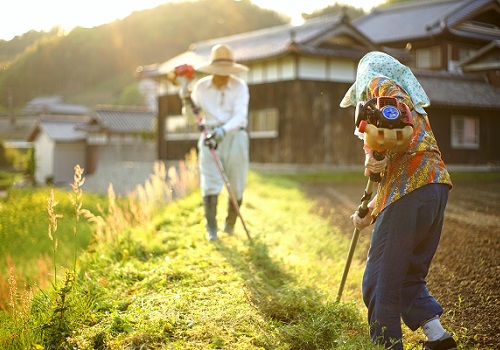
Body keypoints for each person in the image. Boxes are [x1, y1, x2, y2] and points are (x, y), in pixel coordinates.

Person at [340, 51, 456, 350]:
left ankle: (387, 346)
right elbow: (400, 159)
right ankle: (438, 337)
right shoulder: (412, 104)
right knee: (407, 276)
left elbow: (388, 132)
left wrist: (374, 153)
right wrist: (372, 207)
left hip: (410, 193)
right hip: (435, 187)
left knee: (379, 283)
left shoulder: (382, 85)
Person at [182, 44, 250, 241]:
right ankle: (211, 229)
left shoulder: (239, 87)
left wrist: (224, 130)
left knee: (237, 183)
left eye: (226, 73)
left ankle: (229, 225)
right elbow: (191, 118)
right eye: (219, 72)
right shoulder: (201, 87)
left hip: (235, 136)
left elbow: (240, 116)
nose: (222, 76)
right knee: (211, 182)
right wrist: (186, 102)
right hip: (209, 136)